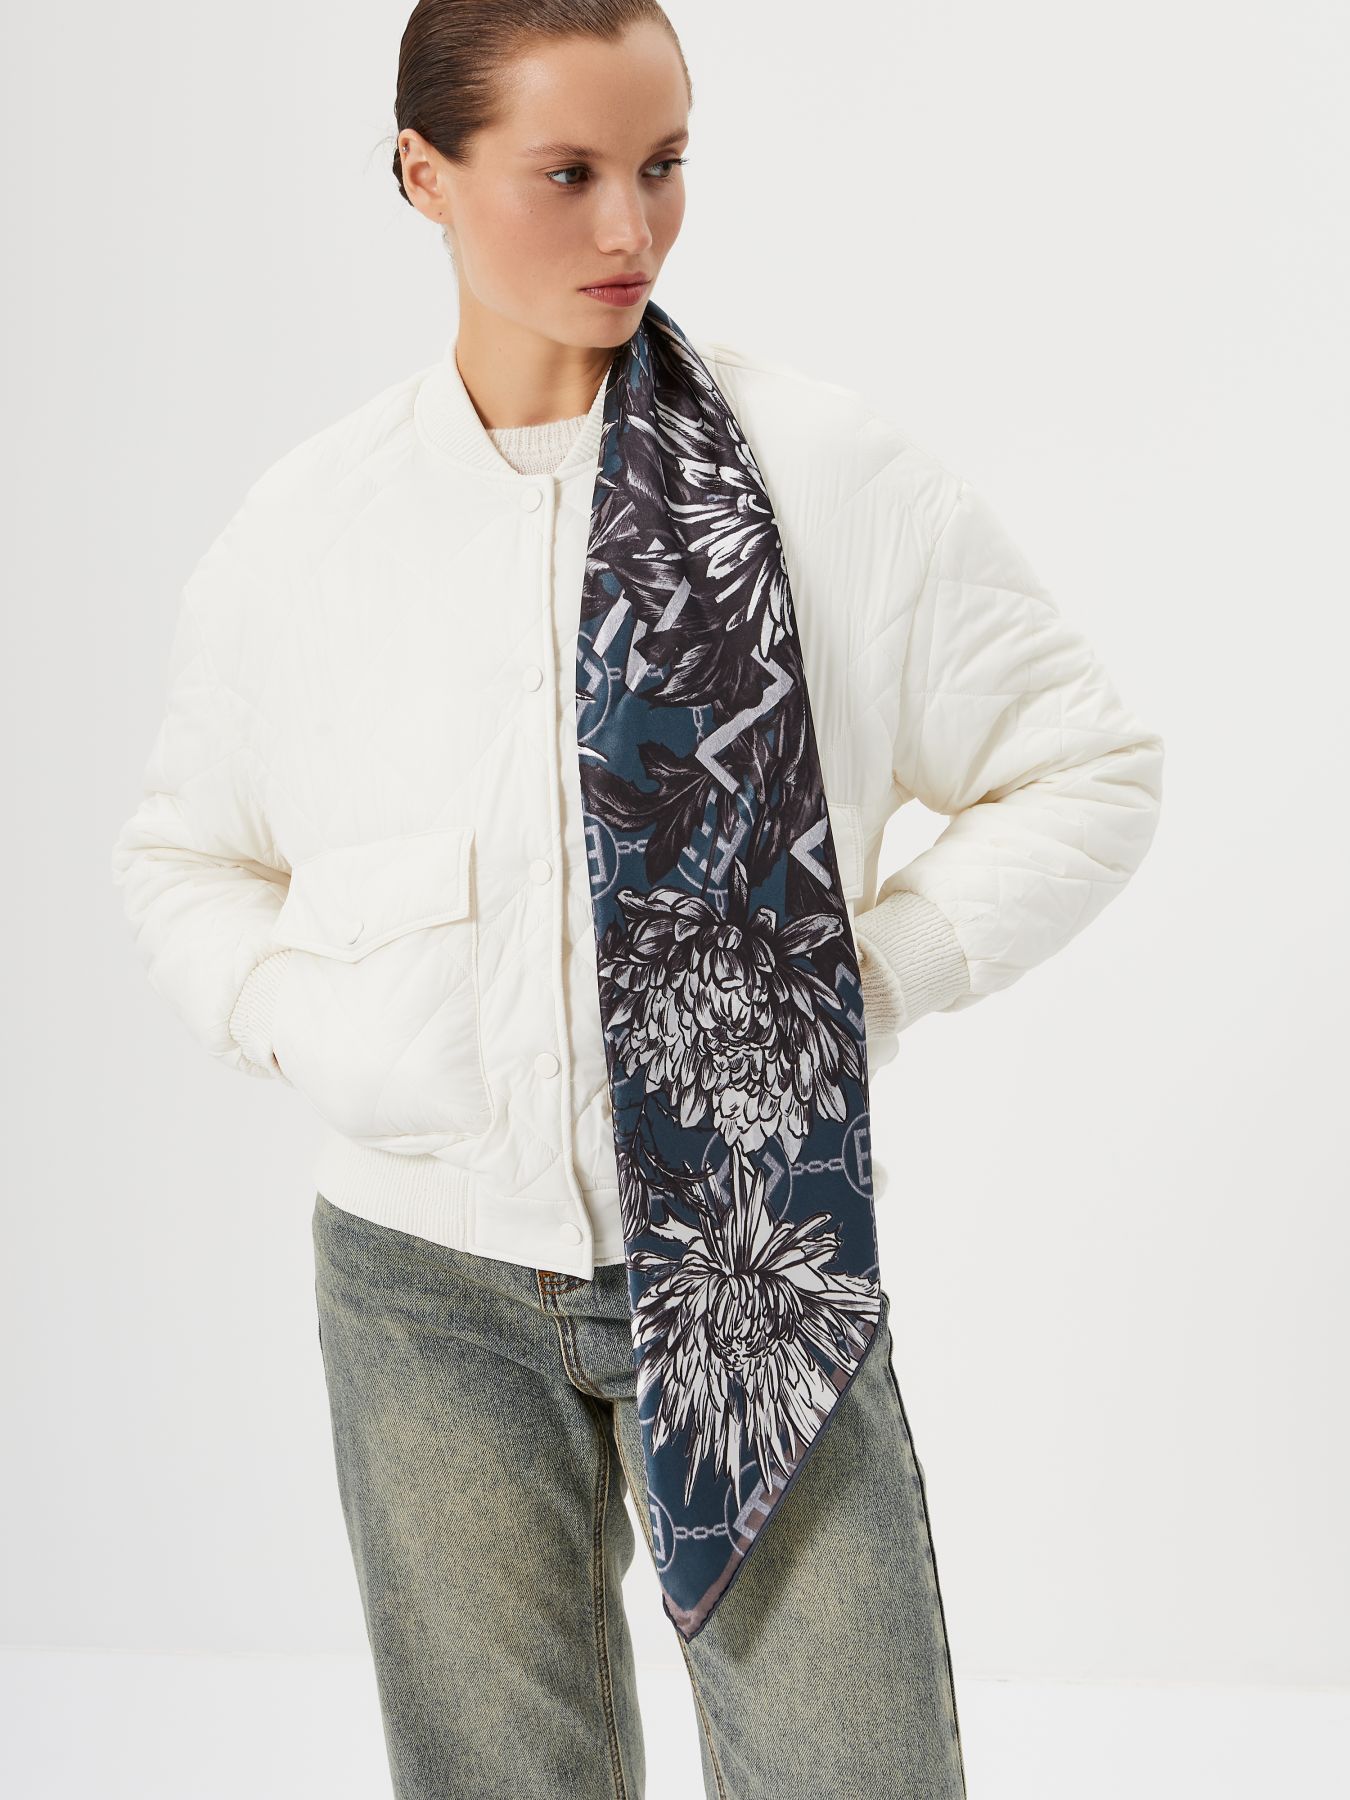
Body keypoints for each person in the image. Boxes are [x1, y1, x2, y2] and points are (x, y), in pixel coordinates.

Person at [110, 3, 1164, 1794]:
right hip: (423, 1282)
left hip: (754, 1251)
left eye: (663, 165)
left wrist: (858, 982)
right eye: (568, 173)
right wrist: (306, 1023)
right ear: (422, 174)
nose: (630, 229)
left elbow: (1087, 765)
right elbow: (186, 853)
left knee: (851, 1771)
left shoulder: (820, 473)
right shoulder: (311, 530)